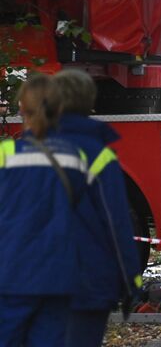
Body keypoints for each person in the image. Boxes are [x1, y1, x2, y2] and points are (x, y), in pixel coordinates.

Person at [52, 69, 142, 347]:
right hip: (86, 282)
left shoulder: (21, 151)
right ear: (89, 103)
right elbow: (115, 224)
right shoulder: (98, 156)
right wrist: (130, 282)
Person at [0, 74, 89, 347]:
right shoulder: (76, 159)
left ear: (22, 109)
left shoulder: (5, 155)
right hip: (59, 277)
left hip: (12, 275)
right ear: (60, 109)